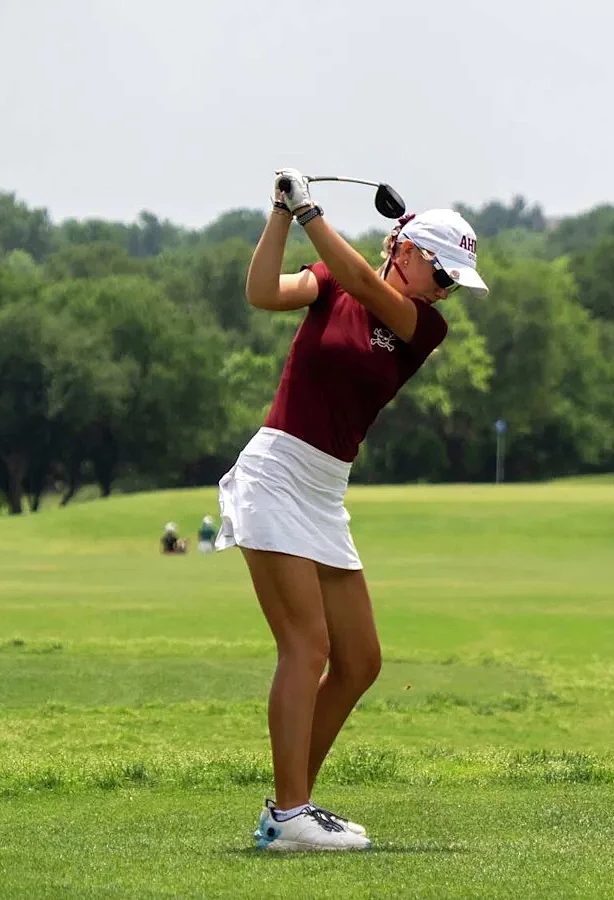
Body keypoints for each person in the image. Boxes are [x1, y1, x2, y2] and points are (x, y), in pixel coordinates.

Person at [213, 168, 488, 853]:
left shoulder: (423, 325)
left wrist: (311, 212)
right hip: (277, 472)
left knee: (361, 660)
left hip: (324, 491)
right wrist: (282, 214)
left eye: (454, 282)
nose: (447, 289)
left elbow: (365, 283)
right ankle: (290, 815)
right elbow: (261, 293)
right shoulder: (331, 281)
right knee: (307, 647)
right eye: (443, 272)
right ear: (408, 250)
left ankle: (290, 809)